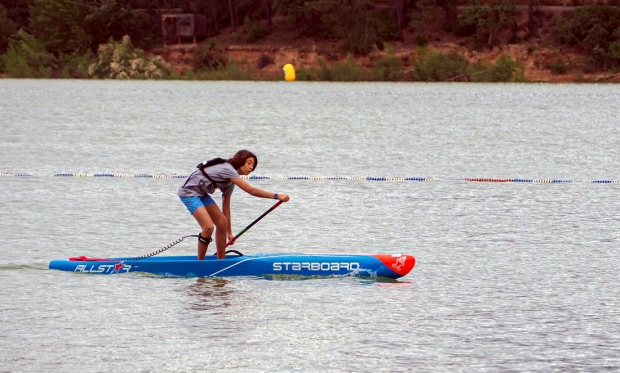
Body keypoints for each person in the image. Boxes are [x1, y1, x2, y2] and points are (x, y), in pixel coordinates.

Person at [178, 150, 290, 260]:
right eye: (249, 163)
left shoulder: (231, 181)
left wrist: (229, 232)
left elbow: (226, 207)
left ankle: (220, 261)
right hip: (188, 192)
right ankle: (200, 263)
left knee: (222, 223)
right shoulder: (228, 169)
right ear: (240, 161)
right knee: (208, 227)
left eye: (253, 165)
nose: (251, 167)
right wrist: (276, 195)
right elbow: (250, 190)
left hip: (202, 194)